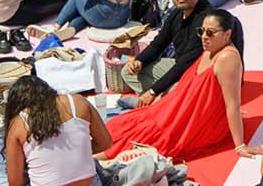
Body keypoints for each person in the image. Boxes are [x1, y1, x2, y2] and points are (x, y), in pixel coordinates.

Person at [106, 8, 247, 159]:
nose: (204, 37)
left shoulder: (227, 58)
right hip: (181, 109)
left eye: (210, 32)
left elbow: (232, 104)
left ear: (227, 34)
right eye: (202, 31)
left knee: (131, 143)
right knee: (120, 127)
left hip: (192, 122)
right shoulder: (210, 48)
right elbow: (159, 44)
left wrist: (240, 146)